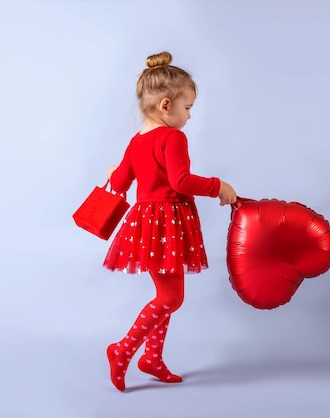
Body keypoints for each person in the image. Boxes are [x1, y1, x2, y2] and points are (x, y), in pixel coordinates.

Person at [103, 51, 237, 391]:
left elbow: (119, 185)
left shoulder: (137, 141)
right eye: (187, 108)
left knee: (167, 294)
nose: (189, 116)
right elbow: (180, 181)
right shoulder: (172, 137)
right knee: (171, 298)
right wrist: (217, 186)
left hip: (146, 225)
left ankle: (152, 358)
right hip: (166, 224)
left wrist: (113, 172)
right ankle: (123, 350)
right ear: (166, 105)